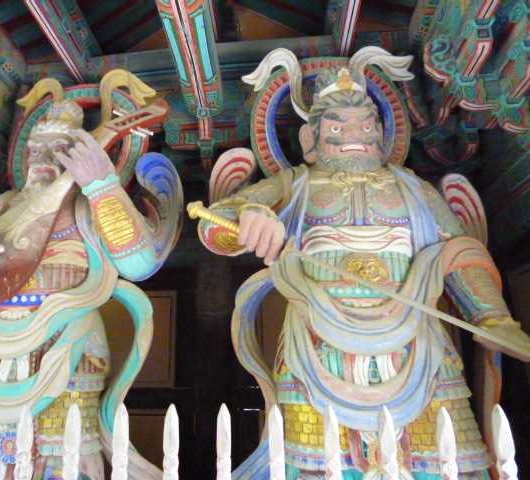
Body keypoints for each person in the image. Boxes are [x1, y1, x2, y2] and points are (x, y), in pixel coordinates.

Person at [194, 48, 530, 479]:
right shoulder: (294, 184)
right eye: (338, 126)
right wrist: (251, 215)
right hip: (317, 348)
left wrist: (492, 317)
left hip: (418, 349)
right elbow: (213, 227)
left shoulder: (414, 188)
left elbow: (459, 253)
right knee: (311, 466)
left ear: (383, 135)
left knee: (452, 461)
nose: (355, 134)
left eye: (366, 125)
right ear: (310, 140)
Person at [0, 75, 174, 480]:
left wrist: (102, 184)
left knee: (63, 459)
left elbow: (139, 263)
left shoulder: (89, 210)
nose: (44, 157)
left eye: (59, 148)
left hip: (67, 351)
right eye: (36, 148)